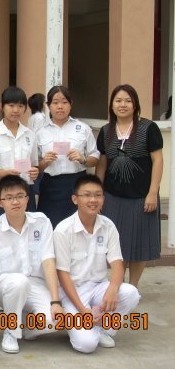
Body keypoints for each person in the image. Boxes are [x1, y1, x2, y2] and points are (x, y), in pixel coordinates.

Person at [54, 174, 140, 353]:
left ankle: (102, 329)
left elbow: (117, 262)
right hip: (72, 292)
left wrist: (113, 288)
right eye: (87, 195)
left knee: (130, 293)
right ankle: (80, 325)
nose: (93, 200)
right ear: (75, 199)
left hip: (98, 286)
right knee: (86, 345)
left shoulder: (108, 225)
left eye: (98, 195)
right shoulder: (63, 230)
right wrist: (82, 310)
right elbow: (62, 274)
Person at [0, 175, 62, 354]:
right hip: (5, 286)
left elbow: (48, 261)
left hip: (36, 284)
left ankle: (25, 326)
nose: (15, 202)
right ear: (0, 203)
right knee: (18, 282)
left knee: (55, 320)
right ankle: (11, 331)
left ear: (27, 199)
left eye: (19, 196)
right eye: (9, 198)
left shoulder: (42, 222)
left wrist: (55, 301)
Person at [96, 84, 163, 287]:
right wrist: (98, 194)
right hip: (113, 196)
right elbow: (102, 164)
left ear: (135, 105)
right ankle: (118, 284)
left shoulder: (148, 128)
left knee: (139, 244)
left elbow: (158, 161)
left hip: (141, 196)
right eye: (118, 101)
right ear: (112, 105)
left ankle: (133, 287)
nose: (122, 105)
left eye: (127, 101)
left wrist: (152, 193)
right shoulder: (106, 131)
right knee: (117, 244)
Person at [36, 85, 99, 227]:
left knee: (78, 226)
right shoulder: (40, 132)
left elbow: (95, 158)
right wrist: (45, 162)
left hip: (77, 183)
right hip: (50, 185)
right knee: (49, 226)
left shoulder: (83, 128)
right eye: (55, 102)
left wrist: (82, 159)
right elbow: (35, 166)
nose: (60, 106)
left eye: (64, 102)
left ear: (71, 104)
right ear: (48, 105)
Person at [0, 86, 39, 222]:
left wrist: (35, 171)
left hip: (25, 191)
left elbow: (34, 164)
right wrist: (5, 173)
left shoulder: (30, 135)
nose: (16, 110)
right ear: (2, 106)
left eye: (20, 106)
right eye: (11, 105)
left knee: (27, 229)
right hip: (0, 191)